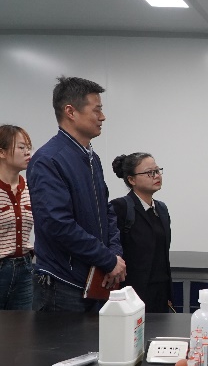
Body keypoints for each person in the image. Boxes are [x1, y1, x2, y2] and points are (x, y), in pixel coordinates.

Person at [27, 76, 126, 312]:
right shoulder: (49, 160)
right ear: (70, 111)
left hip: (95, 279)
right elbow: (57, 223)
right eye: (96, 110)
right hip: (63, 285)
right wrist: (107, 259)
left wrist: (114, 255)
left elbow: (107, 211)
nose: (102, 117)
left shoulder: (92, 158)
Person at [111, 153, 172, 313]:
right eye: (149, 172)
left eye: (157, 171)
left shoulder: (161, 209)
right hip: (132, 294)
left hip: (160, 292)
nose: (156, 176)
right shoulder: (120, 207)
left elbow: (163, 256)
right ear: (132, 180)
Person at [0, 125, 34, 310]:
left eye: (28, 147)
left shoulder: (31, 188)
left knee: (23, 325)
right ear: (2, 152)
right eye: (21, 147)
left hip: (25, 267)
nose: (27, 152)